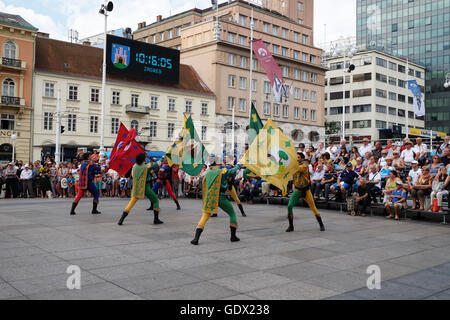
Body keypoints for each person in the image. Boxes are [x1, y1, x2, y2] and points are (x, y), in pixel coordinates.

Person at [190, 155, 241, 245]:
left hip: (210, 197)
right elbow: (233, 171)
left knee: (205, 216)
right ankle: (233, 236)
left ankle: (196, 239)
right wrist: (239, 165)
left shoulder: (208, 172)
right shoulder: (222, 171)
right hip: (221, 197)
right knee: (232, 213)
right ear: (217, 162)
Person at [118, 152, 162, 225]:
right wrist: (163, 157)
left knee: (131, 204)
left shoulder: (134, 166)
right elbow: (157, 164)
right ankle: (156, 219)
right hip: (146, 186)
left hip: (136, 187)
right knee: (155, 200)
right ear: (143, 159)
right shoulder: (146, 166)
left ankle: (121, 219)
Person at [286, 152, 325, 232]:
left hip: (306, 191)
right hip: (297, 190)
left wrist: (290, 162)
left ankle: (321, 224)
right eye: (296, 157)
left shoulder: (305, 166)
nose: (297, 159)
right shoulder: (295, 166)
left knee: (313, 208)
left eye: (299, 157)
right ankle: (291, 226)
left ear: (302, 159)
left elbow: (298, 169)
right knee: (289, 206)